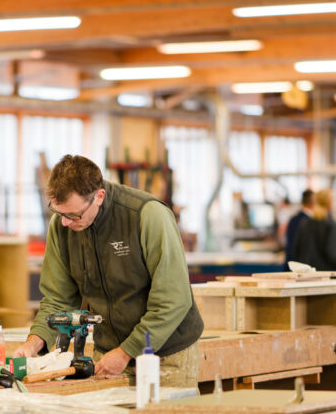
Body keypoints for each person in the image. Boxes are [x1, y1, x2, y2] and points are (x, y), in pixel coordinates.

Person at [14, 155, 203, 387]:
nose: (65, 223)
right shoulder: (62, 225)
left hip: (164, 355)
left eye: (73, 215)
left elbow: (173, 299)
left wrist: (126, 352)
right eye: (58, 212)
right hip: (109, 356)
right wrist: (34, 343)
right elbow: (58, 298)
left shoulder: (147, 215)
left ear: (99, 196)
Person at [292, 189, 336, 272]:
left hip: (307, 275)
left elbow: (296, 250)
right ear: (329, 203)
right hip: (326, 275)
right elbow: (334, 254)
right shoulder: (329, 225)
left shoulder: (305, 223)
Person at [283, 188, 314, 269]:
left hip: (291, 265)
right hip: (302, 268)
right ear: (312, 202)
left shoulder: (293, 219)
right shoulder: (309, 222)